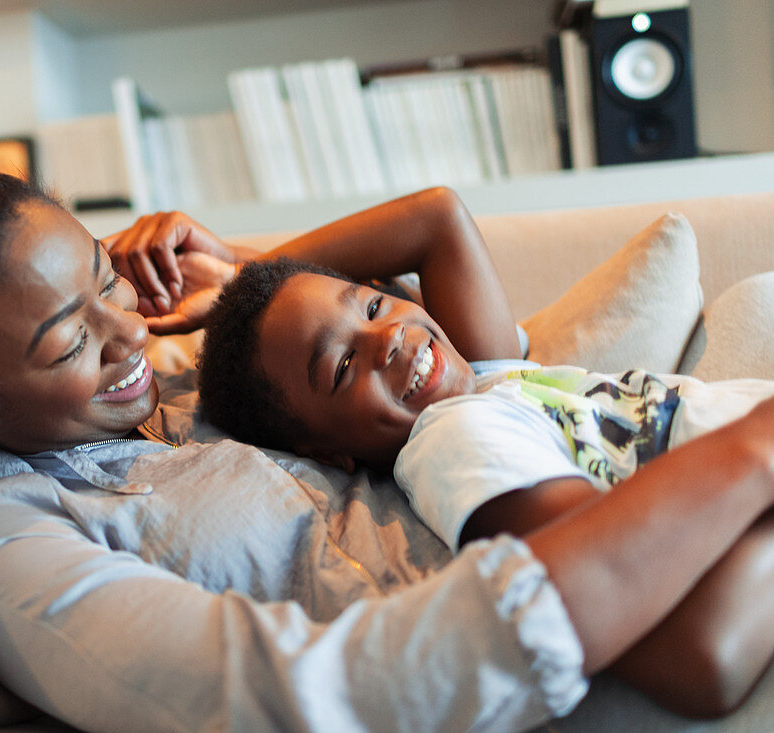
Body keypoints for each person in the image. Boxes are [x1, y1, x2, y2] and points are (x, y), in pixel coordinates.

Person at [0, 164, 774, 730]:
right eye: (66, 341)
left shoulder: (184, 369)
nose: (125, 333)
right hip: (548, 652)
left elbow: (379, 291)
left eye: (101, 277)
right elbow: (290, 697)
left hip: (633, 547)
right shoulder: (3, 535)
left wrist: (239, 267)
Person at [195, 239, 774, 718]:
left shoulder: (489, 380)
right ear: (326, 450)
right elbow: (703, 652)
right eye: (343, 367)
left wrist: (235, 262)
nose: (388, 336)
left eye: (371, 306)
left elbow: (436, 218)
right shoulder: (450, 437)